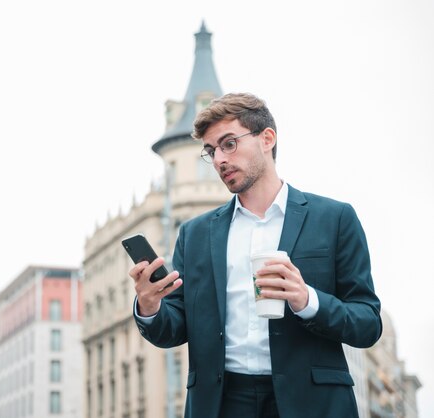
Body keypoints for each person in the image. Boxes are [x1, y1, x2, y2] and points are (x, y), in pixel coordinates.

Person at [130, 92, 382, 418]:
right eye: (211, 151)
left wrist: (308, 301)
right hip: (222, 403)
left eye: (229, 144)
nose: (219, 159)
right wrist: (149, 307)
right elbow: (174, 329)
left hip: (311, 403)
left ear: (267, 138)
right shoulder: (195, 234)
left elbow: (367, 323)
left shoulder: (334, 219)